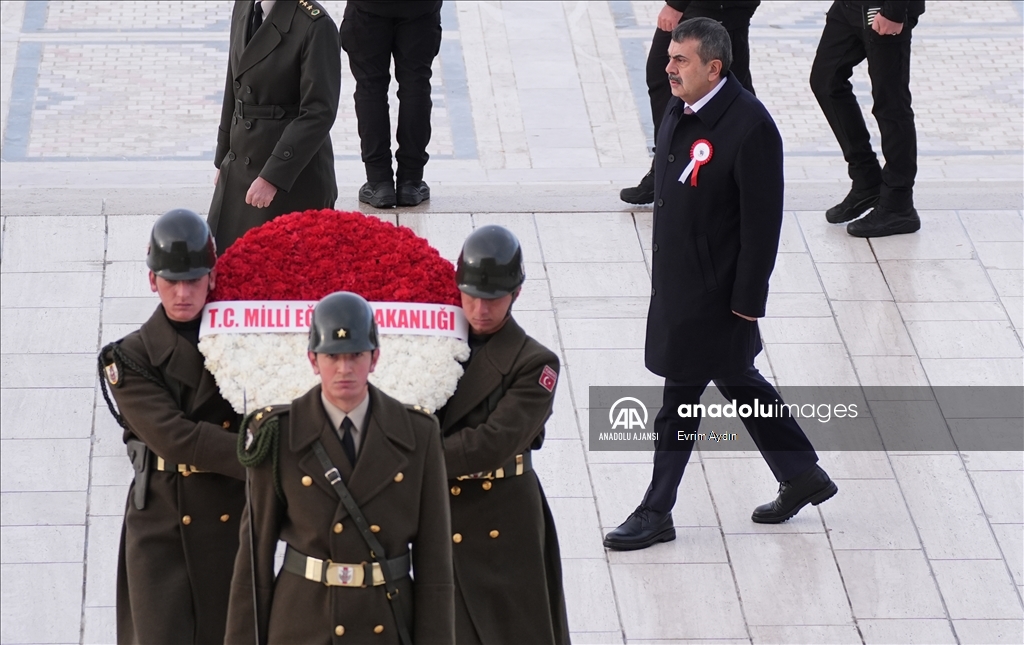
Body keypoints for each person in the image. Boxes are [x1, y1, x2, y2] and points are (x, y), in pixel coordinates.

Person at [604, 18, 837, 552]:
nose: (669, 68)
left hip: (716, 297)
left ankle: (656, 509)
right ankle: (802, 473)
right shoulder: (678, 108)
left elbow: (763, 225)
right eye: (669, 57)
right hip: (680, 282)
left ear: (715, 67)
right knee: (738, 380)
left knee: (678, 403)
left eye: (680, 60)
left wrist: (747, 302)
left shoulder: (750, 127)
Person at [225, 291, 454, 645]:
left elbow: (435, 561)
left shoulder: (418, 434)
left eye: (356, 355)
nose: (344, 369)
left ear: (375, 358)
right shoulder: (279, 434)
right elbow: (254, 555)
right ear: (313, 360)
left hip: (386, 623)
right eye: (332, 356)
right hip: (303, 624)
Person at [98, 209, 245, 644]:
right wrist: (261, 452)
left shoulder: (243, 344)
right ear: (152, 281)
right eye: (171, 281)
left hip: (229, 516)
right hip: (163, 523)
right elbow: (176, 438)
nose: (183, 293)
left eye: (194, 280)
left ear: (212, 279)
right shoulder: (128, 357)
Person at [436, 225, 570, 644]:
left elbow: (491, 444)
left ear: (516, 294)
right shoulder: (433, 344)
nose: (479, 309)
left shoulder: (535, 363)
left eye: (493, 299)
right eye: (470, 295)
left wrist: (412, 461)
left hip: (502, 515)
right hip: (441, 511)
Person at [208, 0, 341, 253]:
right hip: (241, 167)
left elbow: (318, 113)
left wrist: (273, 177)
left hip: (290, 178)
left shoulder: (315, 24)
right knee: (225, 264)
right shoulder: (245, 5)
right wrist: (223, 158)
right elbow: (233, 85)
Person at [620, 1, 760, 205]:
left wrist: (676, 5)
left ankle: (750, 171)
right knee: (671, 76)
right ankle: (667, 169)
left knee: (724, 84)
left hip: (715, 7)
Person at [810, 1, 925, 237]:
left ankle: (899, 204)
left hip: (884, 8)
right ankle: (867, 180)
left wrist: (894, 10)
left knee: (891, 104)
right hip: (849, 6)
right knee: (826, 82)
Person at [340, 1, 443, 208]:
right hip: (421, 9)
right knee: (416, 86)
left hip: (367, 9)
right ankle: (410, 182)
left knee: (370, 87)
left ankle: (379, 182)